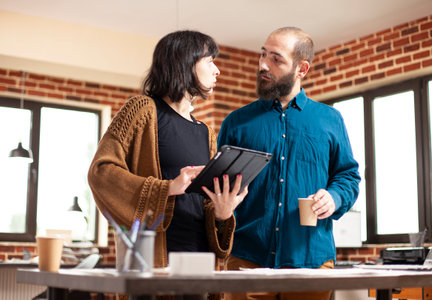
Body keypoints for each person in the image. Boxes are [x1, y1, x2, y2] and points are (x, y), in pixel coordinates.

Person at [88, 30, 247, 298]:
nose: (217, 70)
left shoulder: (205, 132)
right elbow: (101, 173)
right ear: (186, 62)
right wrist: (167, 188)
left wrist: (223, 212)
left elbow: (203, 202)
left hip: (200, 266)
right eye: (210, 61)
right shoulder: (141, 109)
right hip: (154, 265)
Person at [217, 27, 361, 300]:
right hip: (247, 261)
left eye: (276, 59)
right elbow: (219, 187)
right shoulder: (236, 123)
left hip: (312, 262)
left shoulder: (330, 120)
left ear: (302, 68)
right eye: (262, 55)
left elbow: (348, 176)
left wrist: (334, 196)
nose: (263, 65)